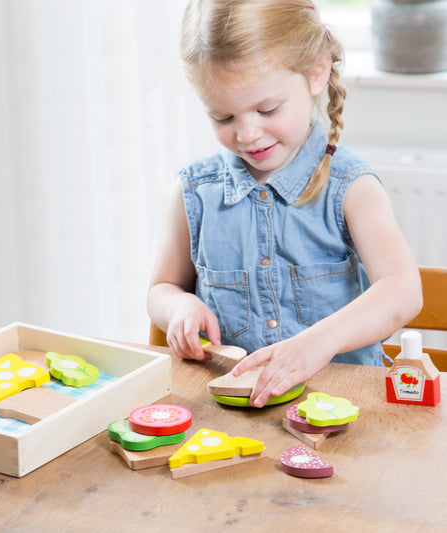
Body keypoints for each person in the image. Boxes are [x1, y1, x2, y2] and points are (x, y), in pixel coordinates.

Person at [147, 0, 422, 407]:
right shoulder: (195, 192)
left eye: (267, 109)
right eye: (223, 118)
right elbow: (162, 289)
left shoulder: (351, 187)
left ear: (316, 73)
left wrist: (320, 342)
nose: (247, 134)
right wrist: (179, 307)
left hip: (345, 410)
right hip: (233, 412)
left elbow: (403, 290)